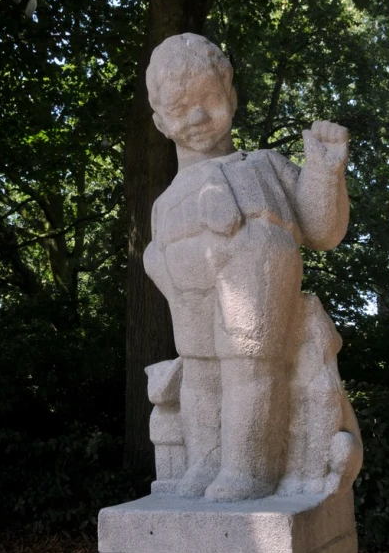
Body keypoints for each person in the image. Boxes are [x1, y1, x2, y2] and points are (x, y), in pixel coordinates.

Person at [144, 33, 350, 501]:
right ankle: (206, 461)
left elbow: (322, 230)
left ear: (230, 94)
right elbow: (153, 254)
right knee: (200, 368)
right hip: (190, 276)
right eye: (180, 107)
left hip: (256, 264)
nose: (196, 117)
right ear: (160, 122)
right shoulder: (165, 200)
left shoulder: (263, 165)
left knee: (248, 362)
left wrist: (323, 171)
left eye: (208, 100)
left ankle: (249, 468)